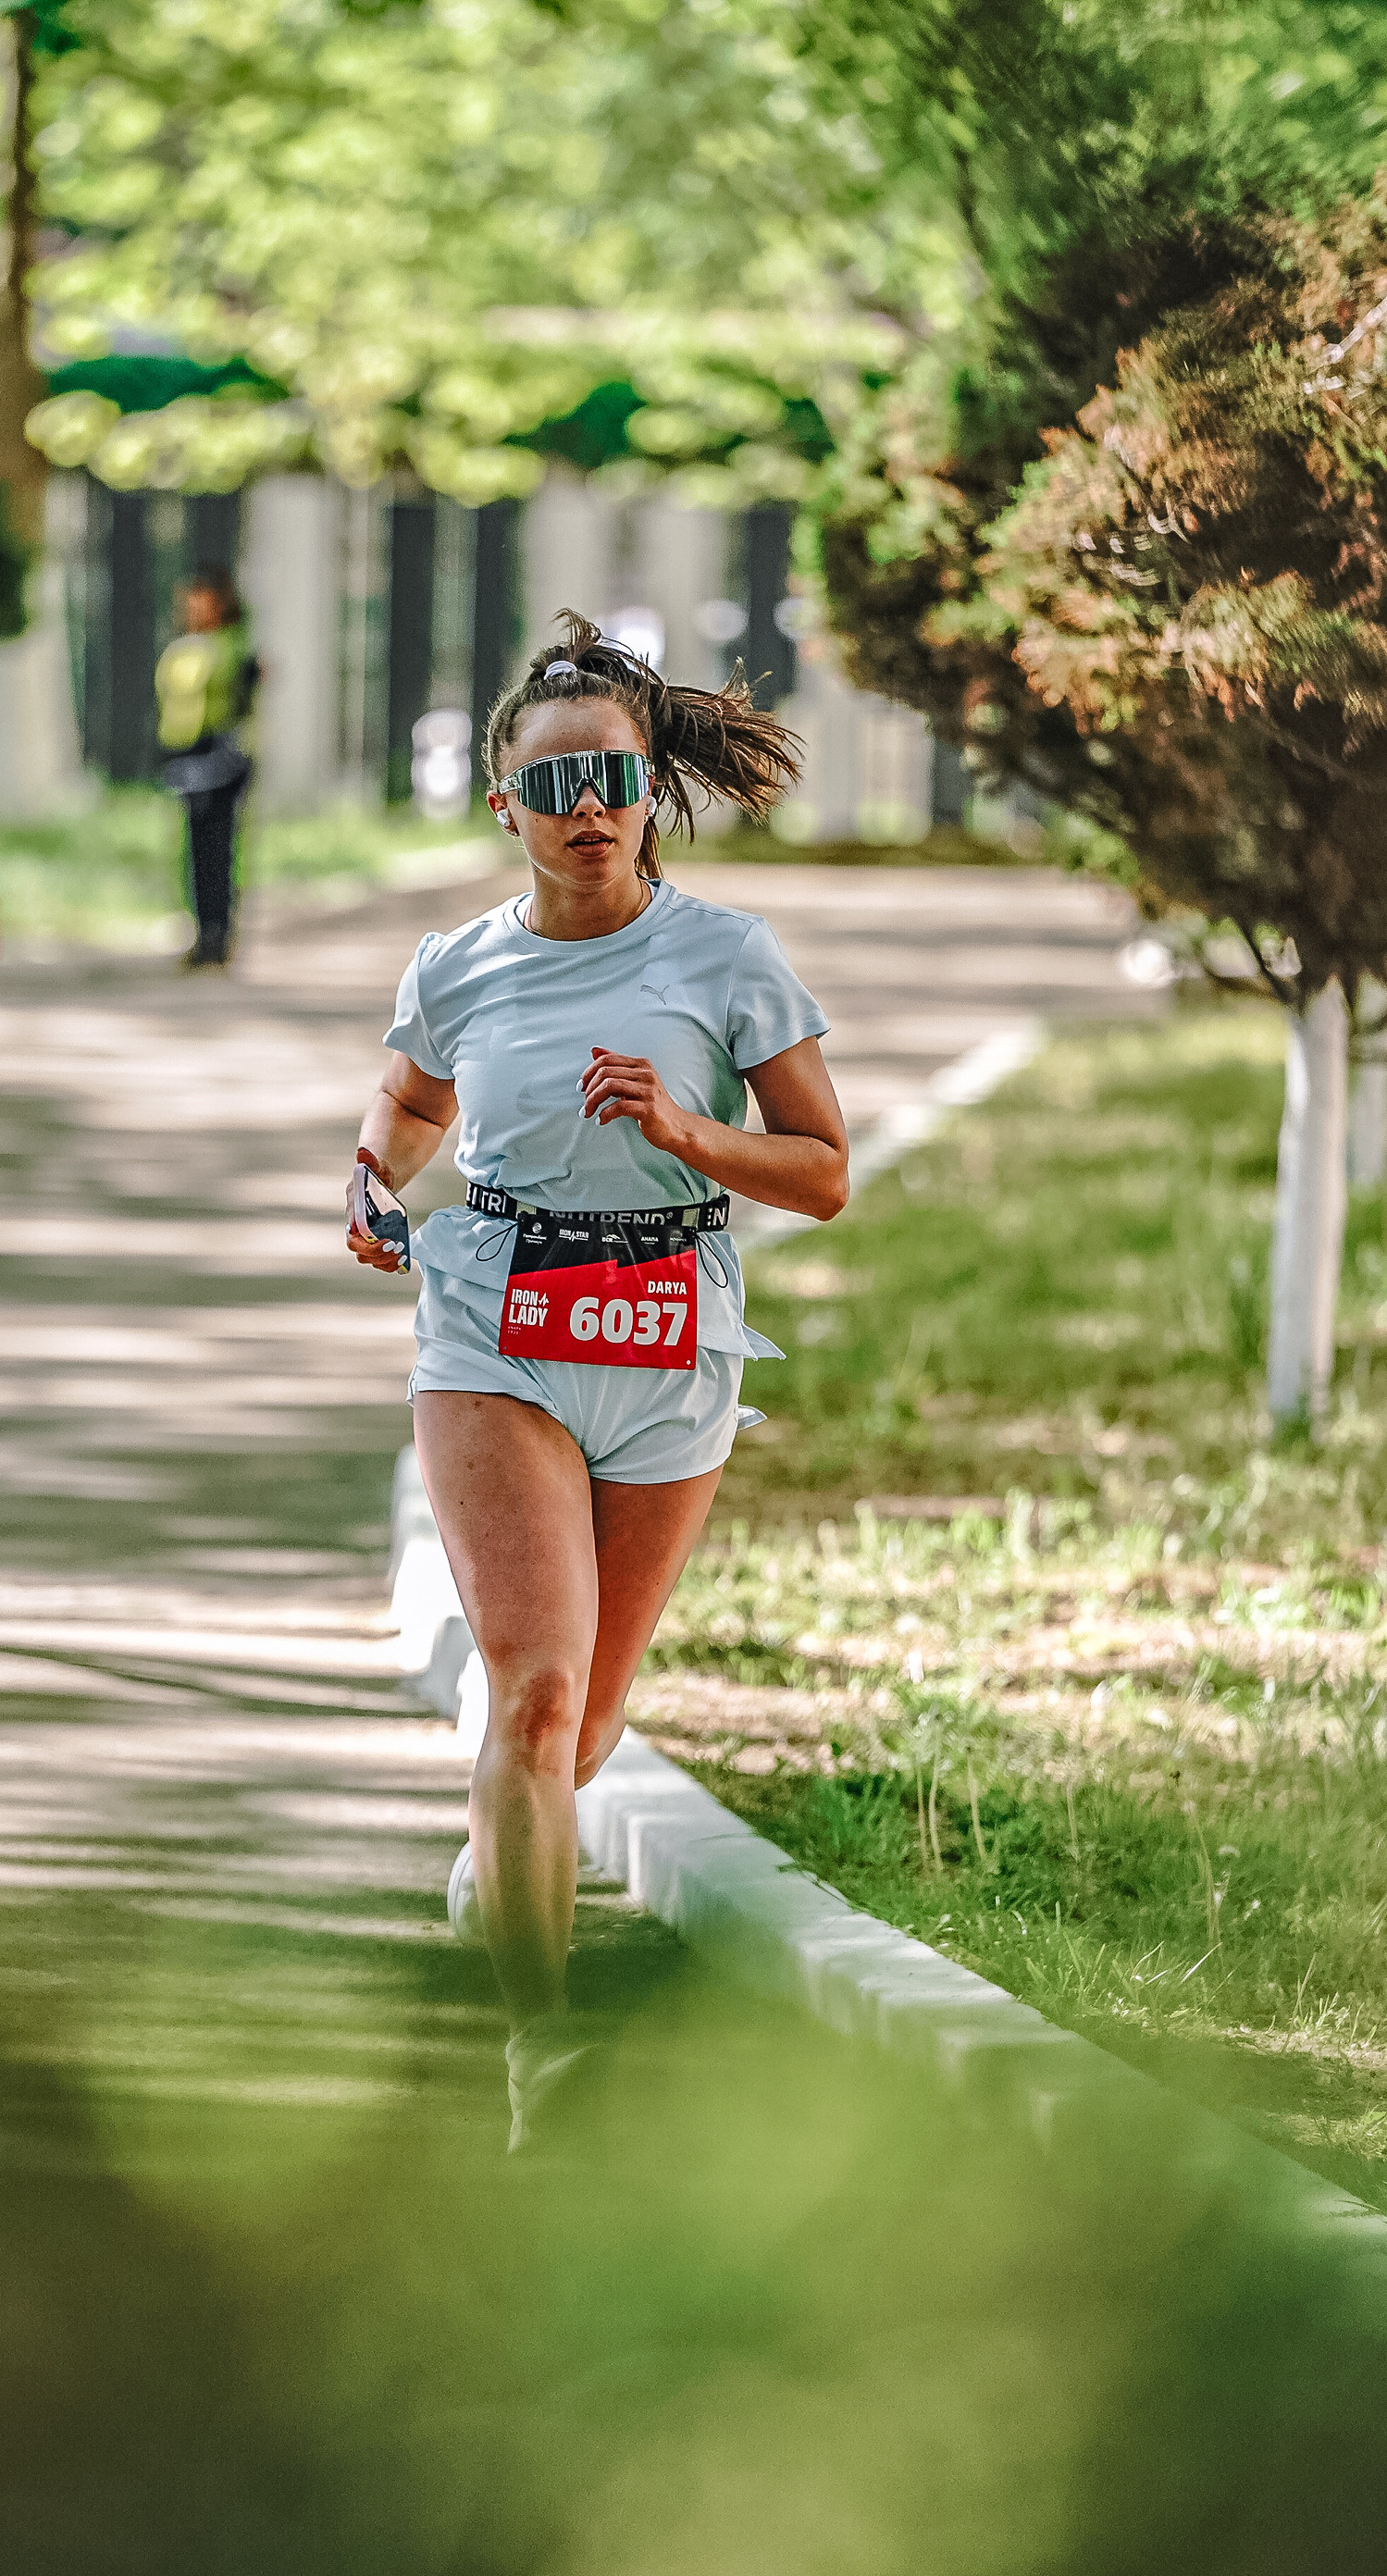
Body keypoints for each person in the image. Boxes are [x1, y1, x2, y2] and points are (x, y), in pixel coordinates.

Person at [346, 612, 848, 2150]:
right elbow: (409, 1108)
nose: (584, 810)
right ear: (506, 807)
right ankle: (539, 2044)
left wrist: (690, 1131)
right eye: (551, 787)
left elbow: (823, 1172)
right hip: (494, 1325)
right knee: (538, 1687)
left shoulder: (724, 957)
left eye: (611, 779)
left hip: (670, 1336)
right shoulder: (461, 965)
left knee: (587, 1717)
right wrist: (373, 1188)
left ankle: (510, 1845)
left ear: (649, 789)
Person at [155, 567, 258, 971]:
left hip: (222, 756)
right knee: (195, 851)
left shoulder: (233, 645)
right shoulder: (183, 648)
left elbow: (244, 701)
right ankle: (202, 934)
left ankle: (219, 935)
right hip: (185, 755)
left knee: (220, 848)